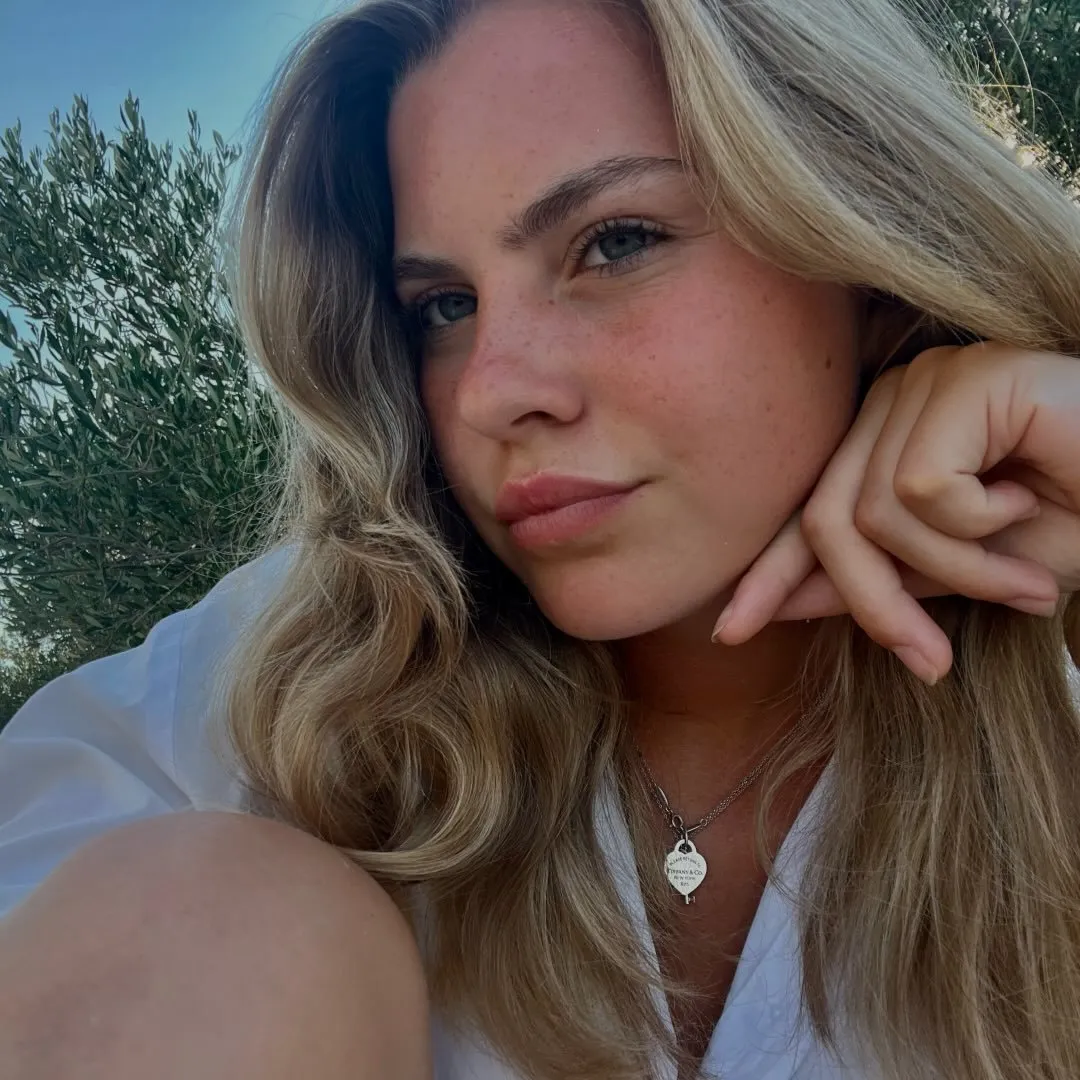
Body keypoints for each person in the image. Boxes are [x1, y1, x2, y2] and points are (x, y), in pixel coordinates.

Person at [1, 0, 1079, 1077]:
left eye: (616, 242)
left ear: (869, 263)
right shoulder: (295, 680)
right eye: (442, 306)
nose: (488, 392)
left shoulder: (1052, 712)